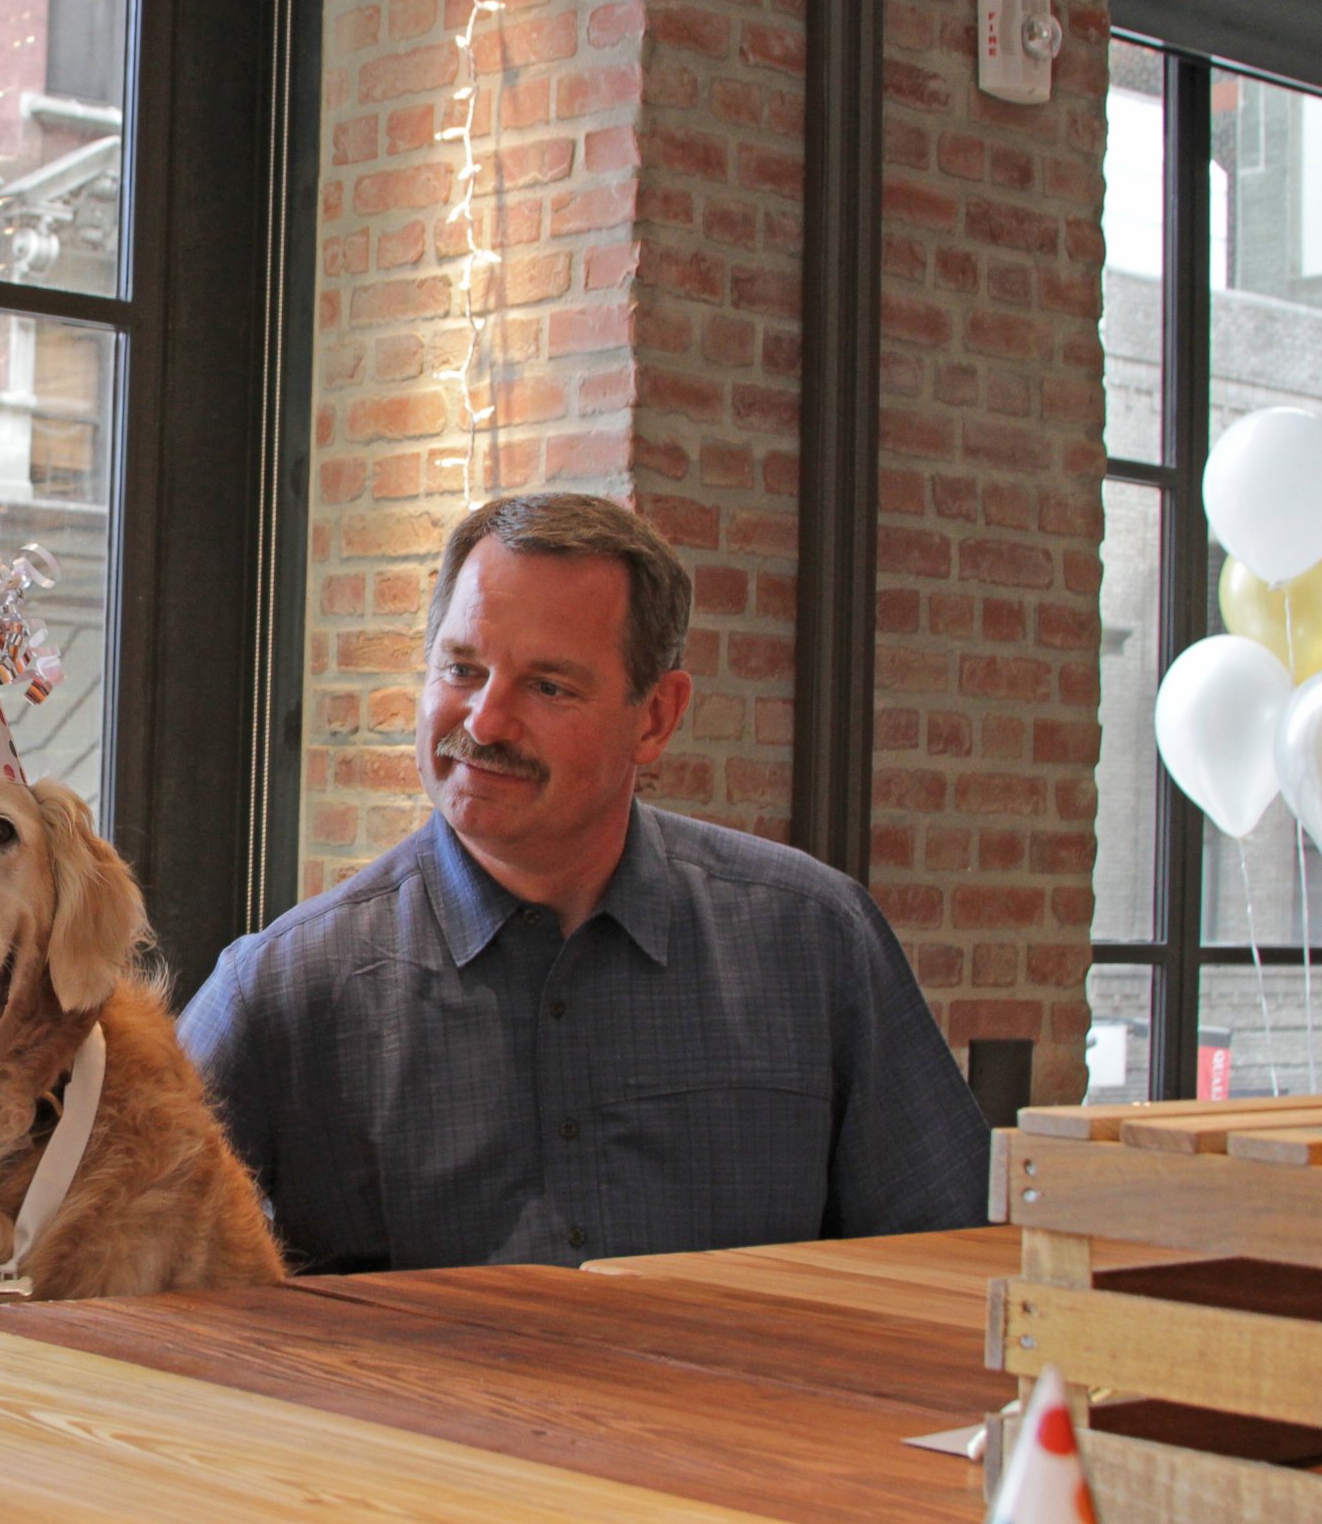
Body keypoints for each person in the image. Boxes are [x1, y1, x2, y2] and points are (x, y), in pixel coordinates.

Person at [179, 492, 991, 1272]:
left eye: (549, 686)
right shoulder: (282, 990)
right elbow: (123, 1293)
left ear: (656, 717)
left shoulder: (814, 944)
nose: (486, 723)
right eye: (462, 669)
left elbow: (950, 1269)